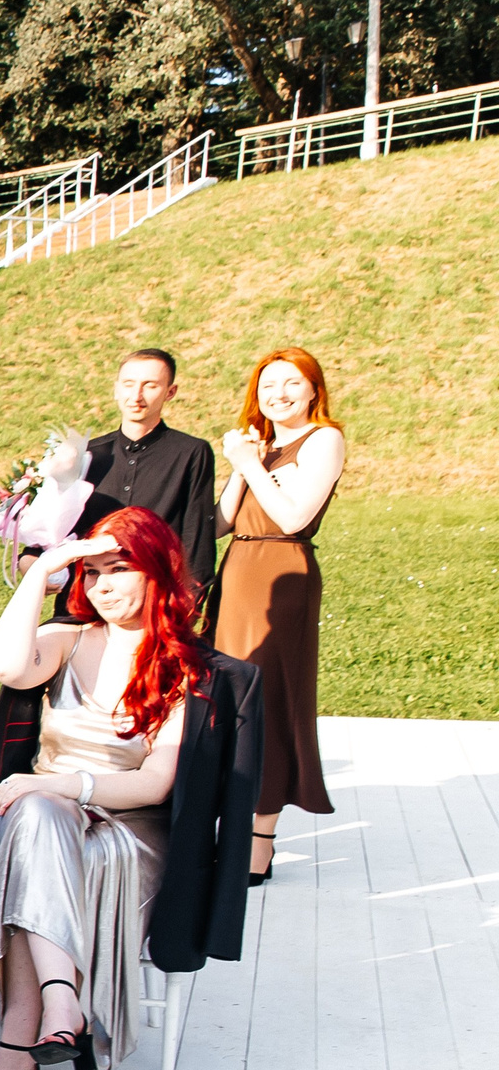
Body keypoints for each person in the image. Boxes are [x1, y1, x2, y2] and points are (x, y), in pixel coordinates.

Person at [0, 512, 203, 1070]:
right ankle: (62, 1001)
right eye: (90, 572)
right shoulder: (70, 639)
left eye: (117, 569)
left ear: (158, 572)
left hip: (131, 825)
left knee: (38, 828)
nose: (100, 585)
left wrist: (58, 782)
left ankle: (16, 1058)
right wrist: (42, 569)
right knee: (37, 820)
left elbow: (154, 783)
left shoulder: (184, 664)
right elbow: (8, 667)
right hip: (43, 815)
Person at [210, 346, 343, 881]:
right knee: (227, 700)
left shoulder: (324, 439)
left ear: (313, 389)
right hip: (238, 566)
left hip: (282, 575)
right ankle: (225, 823)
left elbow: (292, 517)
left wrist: (248, 463)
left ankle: (258, 840)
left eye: (291, 383)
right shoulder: (257, 444)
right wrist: (243, 463)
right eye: (268, 385)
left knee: (268, 700)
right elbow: (219, 522)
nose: (278, 394)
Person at [71, 349, 219, 587]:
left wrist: (191, 599)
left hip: (158, 592)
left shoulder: (191, 452)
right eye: (129, 384)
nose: (136, 396)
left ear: (170, 392)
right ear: (116, 389)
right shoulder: (87, 454)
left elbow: (197, 534)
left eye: (150, 385)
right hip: (92, 590)